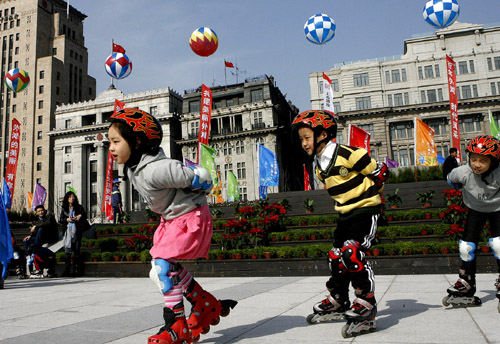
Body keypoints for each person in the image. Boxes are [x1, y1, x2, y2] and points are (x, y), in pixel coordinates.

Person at [108, 108, 237, 344]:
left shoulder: (158, 169)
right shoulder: (135, 168)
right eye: (110, 142)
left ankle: (175, 324)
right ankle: (202, 301)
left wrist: (200, 186)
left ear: (137, 142)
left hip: (189, 218)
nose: (111, 148)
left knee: (162, 268)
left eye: (116, 141)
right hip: (172, 220)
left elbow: (200, 176)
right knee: (162, 270)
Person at [292, 110, 387, 337]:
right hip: (345, 215)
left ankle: (366, 302)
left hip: (365, 210)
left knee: (351, 252)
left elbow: (380, 172)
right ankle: (339, 298)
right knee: (336, 255)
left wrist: (373, 198)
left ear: (323, 134)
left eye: (307, 137)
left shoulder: (349, 154)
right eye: (301, 139)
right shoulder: (319, 166)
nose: (304, 143)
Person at [444, 135, 500, 308]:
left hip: (498, 209)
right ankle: (466, 281)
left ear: (494, 161)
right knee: (466, 246)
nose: (477, 164)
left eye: (483, 161)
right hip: (475, 209)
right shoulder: (463, 172)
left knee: (498, 244)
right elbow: (450, 178)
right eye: (473, 159)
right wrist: (457, 185)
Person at [59, 191, 88, 277]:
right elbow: (61, 219)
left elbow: (84, 215)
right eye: (70, 197)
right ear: (67, 199)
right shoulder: (64, 208)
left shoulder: (79, 207)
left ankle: (76, 270)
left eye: (73, 197)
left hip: (77, 231)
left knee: (76, 250)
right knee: (67, 251)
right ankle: (67, 270)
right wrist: (67, 220)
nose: (72, 198)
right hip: (68, 231)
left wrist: (80, 216)